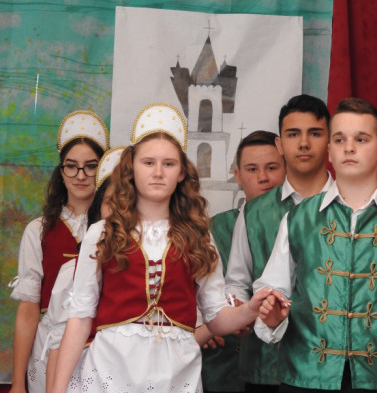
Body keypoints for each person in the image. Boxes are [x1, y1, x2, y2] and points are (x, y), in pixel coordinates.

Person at [48, 103, 277, 393]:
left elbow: (217, 318)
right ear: (131, 168)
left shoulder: (198, 236)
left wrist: (249, 310)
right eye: (148, 163)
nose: (158, 172)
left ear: (181, 172)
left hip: (174, 374)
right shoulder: (103, 233)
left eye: (168, 164)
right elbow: (80, 319)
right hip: (110, 370)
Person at [256, 97, 377, 393]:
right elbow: (273, 290)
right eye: (340, 139)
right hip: (306, 378)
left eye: (361, 139)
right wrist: (274, 317)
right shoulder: (299, 219)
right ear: (330, 151)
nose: (349, 148)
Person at [225, 94, 333, 392]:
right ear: (280, 144)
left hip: (334, 369)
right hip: (266, 367)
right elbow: (236, 282)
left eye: (315, 133)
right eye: (293, 134)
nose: (304, 143)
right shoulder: (254, 212)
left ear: (330, 141)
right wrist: (240, 310)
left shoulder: (352, 206)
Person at [9, 110, 109, 393]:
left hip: (101, 349)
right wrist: (17, 383)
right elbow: (28, 311)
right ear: (61, 171)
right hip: (49, 347)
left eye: (91, 166)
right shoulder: (38, 231)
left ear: (103, 170)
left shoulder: (118, 230)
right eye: (71, 166)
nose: (81, 175)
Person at [201, 130, 286, 393]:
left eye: (272, 167)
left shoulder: (303, 223)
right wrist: (200, 324)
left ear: (287, 170)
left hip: (285, 366)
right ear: (237, 176)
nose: (263, 177)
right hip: (222, 369)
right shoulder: (213, 230)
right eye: (252, 169)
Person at [44, 146, 125, 392]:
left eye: (130, 203)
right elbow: (58, 344)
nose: (120, 212)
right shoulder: (73, 270)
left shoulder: (153, 269)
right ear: (98, 208)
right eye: (111, 202)